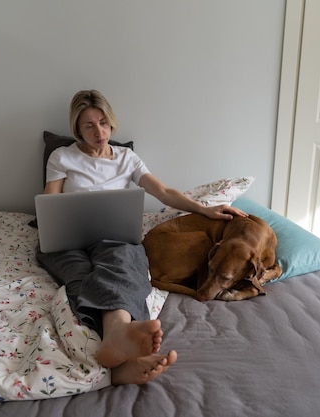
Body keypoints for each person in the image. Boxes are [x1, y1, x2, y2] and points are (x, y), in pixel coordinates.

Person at [37, 89, 246, 385]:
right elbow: (51, 205)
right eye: (89, 126)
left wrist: (205, 209)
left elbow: (163, 192)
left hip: (113, 238)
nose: (100, 132)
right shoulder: (62, 157)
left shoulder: (126, 158)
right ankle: (123, 350)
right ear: (77, 129)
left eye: (104, 123)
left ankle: (119, 346)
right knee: (82, 275)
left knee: (124, 263)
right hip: (68, 241)